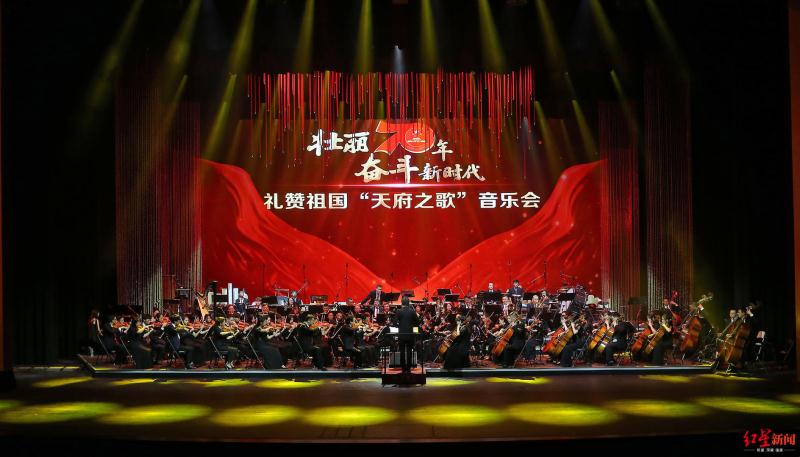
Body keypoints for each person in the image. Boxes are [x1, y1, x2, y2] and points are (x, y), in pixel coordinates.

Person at [394, 296, 420, 373]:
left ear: (402, 303)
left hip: (401, 334)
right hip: (410, 334)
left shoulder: (399, 311)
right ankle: (408, 369)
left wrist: (400, 326)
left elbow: (394, 323)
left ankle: (403, 369)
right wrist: (412, 326)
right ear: (408, 303)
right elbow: (417, 322)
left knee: (402, 352)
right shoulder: (412, 311)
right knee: (409, 352)